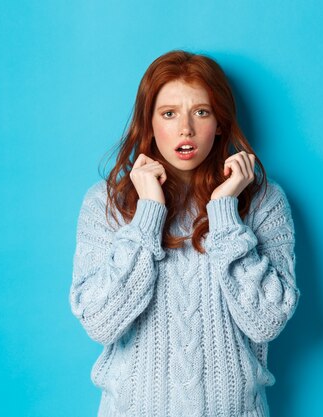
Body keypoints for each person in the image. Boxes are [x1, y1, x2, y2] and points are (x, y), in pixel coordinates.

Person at [70, 50, 300, 417]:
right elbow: (100, 322)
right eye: (169, 113)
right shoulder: (108, 203)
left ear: (220, 122)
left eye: (201, 112)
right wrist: (148, 214)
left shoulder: (262, 201)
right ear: (149, 122)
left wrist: (225, 212)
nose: (185, 129)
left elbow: (267, 321)